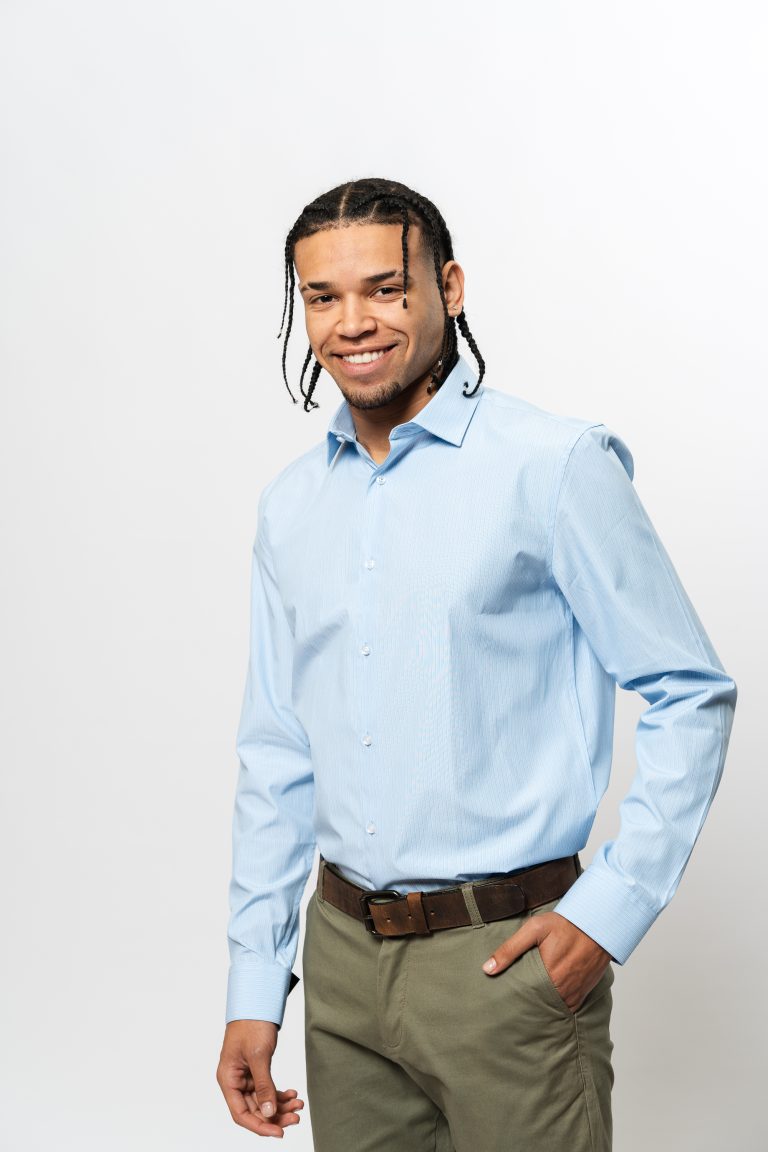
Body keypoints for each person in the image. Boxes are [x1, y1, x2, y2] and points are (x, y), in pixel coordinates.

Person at [215, 178, 737, 1150]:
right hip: (340, 966)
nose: (351, 322)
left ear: (448, 288)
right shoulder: (292, 506)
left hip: (505, 962)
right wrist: (256, 984)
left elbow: (689, 691)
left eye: (384, 288)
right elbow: (277, 751)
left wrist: (607, 915)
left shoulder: (553, 465)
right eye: (322, 297)